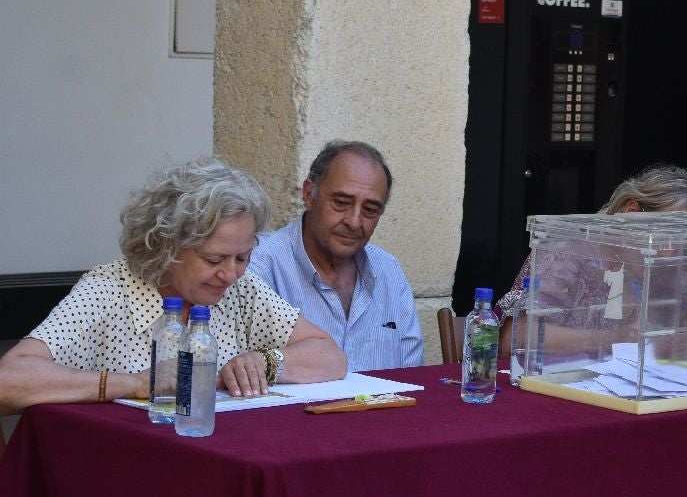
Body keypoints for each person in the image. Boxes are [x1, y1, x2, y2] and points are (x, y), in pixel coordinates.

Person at [0, 159, 347, 410]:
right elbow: (9, 380)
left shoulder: (241, 290)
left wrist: (267, 361)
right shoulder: (107, 291)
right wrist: (135, 383)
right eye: (214, 260)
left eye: (242, 257)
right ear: (166, 247)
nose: (231, 274)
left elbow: (329, 355)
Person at [495, 164, 687, 354]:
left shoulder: (663, 266)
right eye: (666, 234)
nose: (671, 251)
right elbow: (516, 335)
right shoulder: (568, 252)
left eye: (682, 243)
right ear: (631, 212)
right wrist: (610, 339)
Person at [249, 141, 423, 371]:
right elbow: (238, 375)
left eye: (370, 210)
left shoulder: (388, 270)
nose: (354, 222)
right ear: (309, 195)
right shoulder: (259, 265)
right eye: (341, 203)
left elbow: (413, 376)